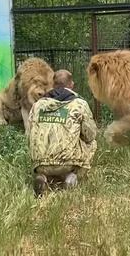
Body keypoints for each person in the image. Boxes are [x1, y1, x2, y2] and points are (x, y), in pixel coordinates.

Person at [26, 69, 98, 197]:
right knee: (92, 143)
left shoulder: (38, 105)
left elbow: (29, 134)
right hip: (68, 163)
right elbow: (90, 135)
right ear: (71, 85)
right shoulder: (79, 104)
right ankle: (73, 175)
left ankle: (42, 176)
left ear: (53, 85)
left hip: (40, 163)